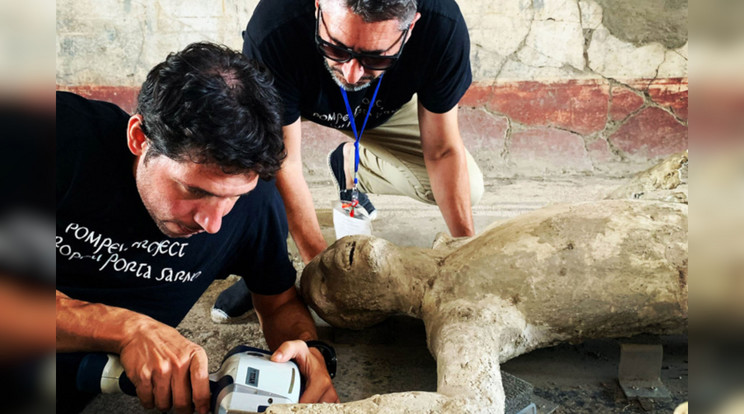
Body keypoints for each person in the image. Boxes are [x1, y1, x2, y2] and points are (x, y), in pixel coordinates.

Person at [56, 42, 339, 414]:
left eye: (234, 196)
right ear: (140, 138)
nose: (213, 221)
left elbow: (279, 303)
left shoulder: (256, 206)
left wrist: (308, 352)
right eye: (194, 190)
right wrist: (125, 328)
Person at [213, 0, 485, 322]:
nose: (351, 72)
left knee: (470, 189)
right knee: (248, 169)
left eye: (375, 57)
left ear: (410, 28)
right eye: (336, 48)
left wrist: (466, 255)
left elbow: (441, 151)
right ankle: (265, 269)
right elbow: (284, 162)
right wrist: (323, 276)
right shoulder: (275, 27)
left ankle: (353, 164)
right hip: (293, 95)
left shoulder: (442, 26)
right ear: (318, 8)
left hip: (382, 109)